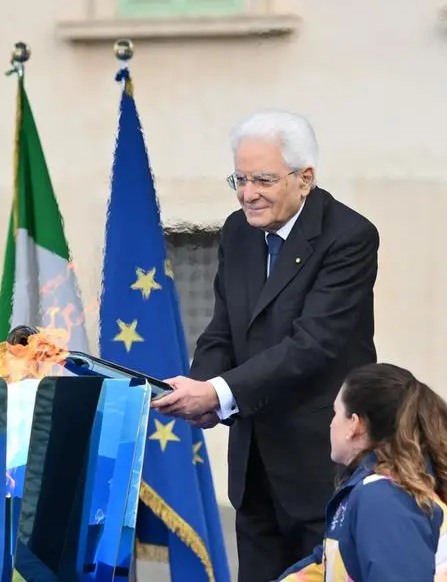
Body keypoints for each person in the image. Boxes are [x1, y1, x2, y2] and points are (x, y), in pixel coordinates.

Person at [151, 109, 379, 581]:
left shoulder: (349, 237)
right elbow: (223, 330)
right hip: (254, 466)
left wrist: (218, 393)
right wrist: (199, 389)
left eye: (263, 180)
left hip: (321, 467)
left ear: (304, 178)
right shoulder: (238, 231)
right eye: (239, 179)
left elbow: (311, 345)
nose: (247, 193)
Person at [278, 363, 447, 582]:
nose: (330, 424)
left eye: (335, 412)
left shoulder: (384, 497)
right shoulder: (379, 491)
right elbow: (324, 567)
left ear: (354, 424)